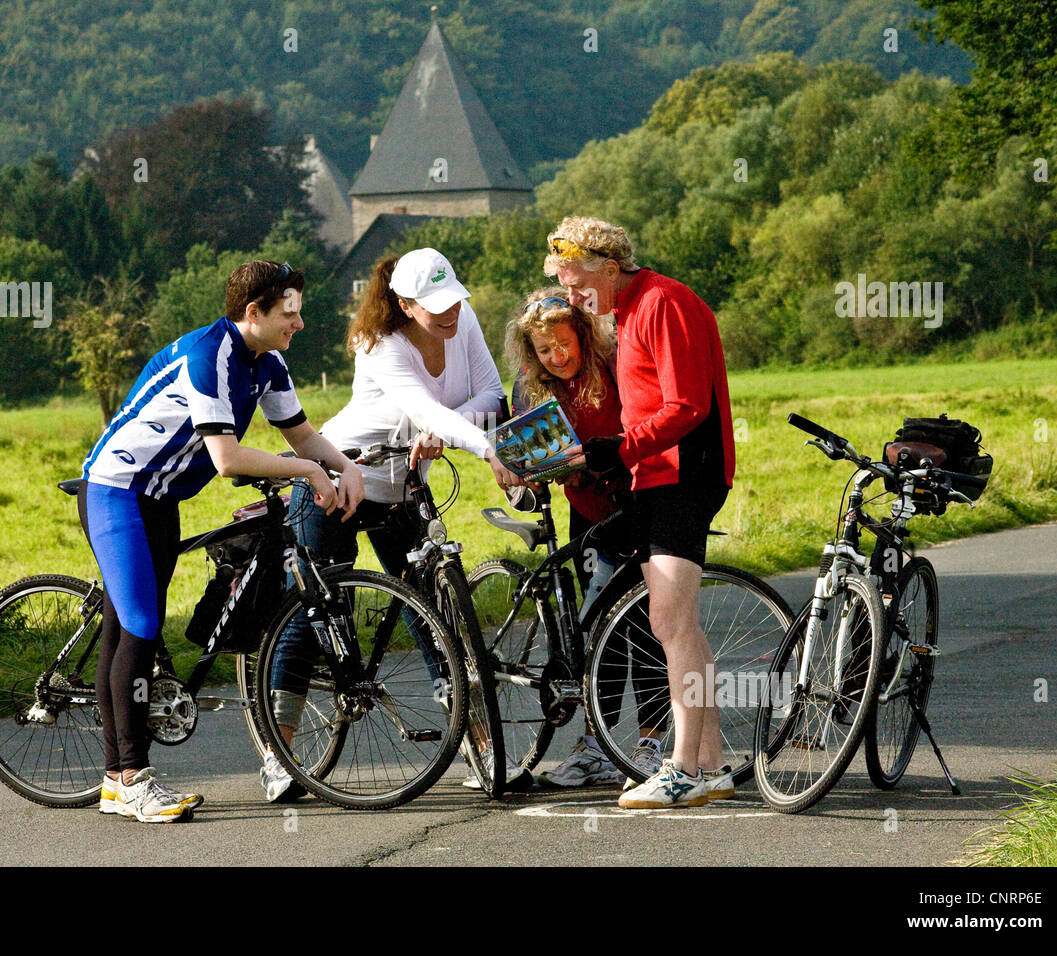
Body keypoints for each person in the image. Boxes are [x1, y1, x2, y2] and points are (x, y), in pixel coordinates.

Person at [78, 259, 364, 822]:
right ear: (252, 313)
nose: (299, 324)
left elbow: (302, 434)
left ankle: (116, 782)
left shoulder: (267, 361)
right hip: (116, 492)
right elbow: (227, 459)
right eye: (290, 314)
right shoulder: (209, 355)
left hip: (159, 500)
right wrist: (307, 473)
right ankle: (130, 778)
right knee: (139, 624)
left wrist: (343, 466)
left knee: (125, 627)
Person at [261, 247, 530, 800]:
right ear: (406, 305)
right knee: (311, 609)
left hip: (404, 484)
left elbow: (491, 395)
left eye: (454, 300)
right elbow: (428, 408)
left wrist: (446, 428)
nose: (450, 314)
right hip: (339, 476)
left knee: (434, 611)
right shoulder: (380, 345)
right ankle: (279, 751)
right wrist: (474, 441)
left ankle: (479, 743)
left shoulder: (462, 316)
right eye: (435, 307)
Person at [544, 217, 737, 809]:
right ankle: (712, 763)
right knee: (679, 625)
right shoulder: (627, 314)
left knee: (670, 622)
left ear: (608, 265)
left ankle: (680, 769)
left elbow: (684, 405)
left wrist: (619, 449)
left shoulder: (664, 303)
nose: (572, 298)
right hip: (656, 477)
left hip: (686, 474)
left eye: (575, 284)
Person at [505, 289, 635, 788]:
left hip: (636, 504)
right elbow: (529, 448)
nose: (556, 357)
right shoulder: (531, 385)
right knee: (599, 629)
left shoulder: (617, 366)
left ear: (583, 333)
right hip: (586, 513)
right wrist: (528, 471)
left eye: (564, 344)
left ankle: (648, 744)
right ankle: (596, 745)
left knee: (643, 625)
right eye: (544, 350)